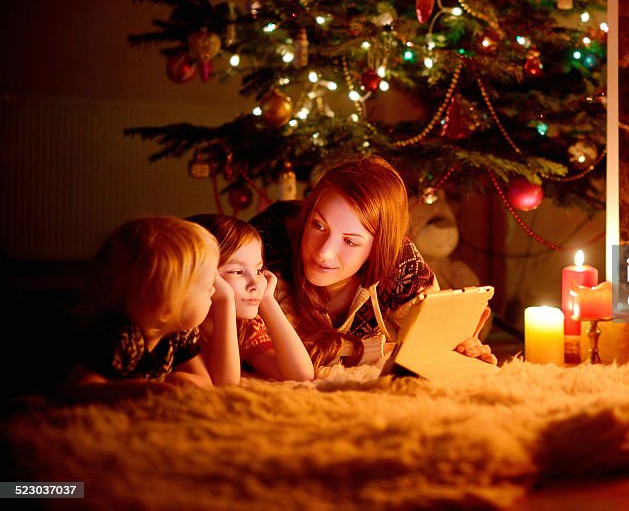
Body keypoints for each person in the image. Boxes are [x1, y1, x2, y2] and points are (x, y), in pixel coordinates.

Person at [250, 155, 496, 371]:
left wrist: (456, 346)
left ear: (379, 246)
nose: (324, 253)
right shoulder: (266, 246)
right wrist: (381, 350)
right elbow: (292, 354)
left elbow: (429, 344)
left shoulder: (401, 263)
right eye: (318, 225)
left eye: (350, 241)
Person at [64, 216, 219, 400]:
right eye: (206, 286)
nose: (213, 290)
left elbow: (204, 381)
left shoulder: (179, 332)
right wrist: (140, 390)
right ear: (167, 305)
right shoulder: (119, 336)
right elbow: (77, 390)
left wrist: (185, 380)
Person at [186, 214, 314, 384]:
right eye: (238, 272)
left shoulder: (245, 328)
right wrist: (225, 301)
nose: (255, 283)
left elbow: (300, 374)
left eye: (258, 270)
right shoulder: (183, 326)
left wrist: (268, 301)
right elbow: (225, 383)